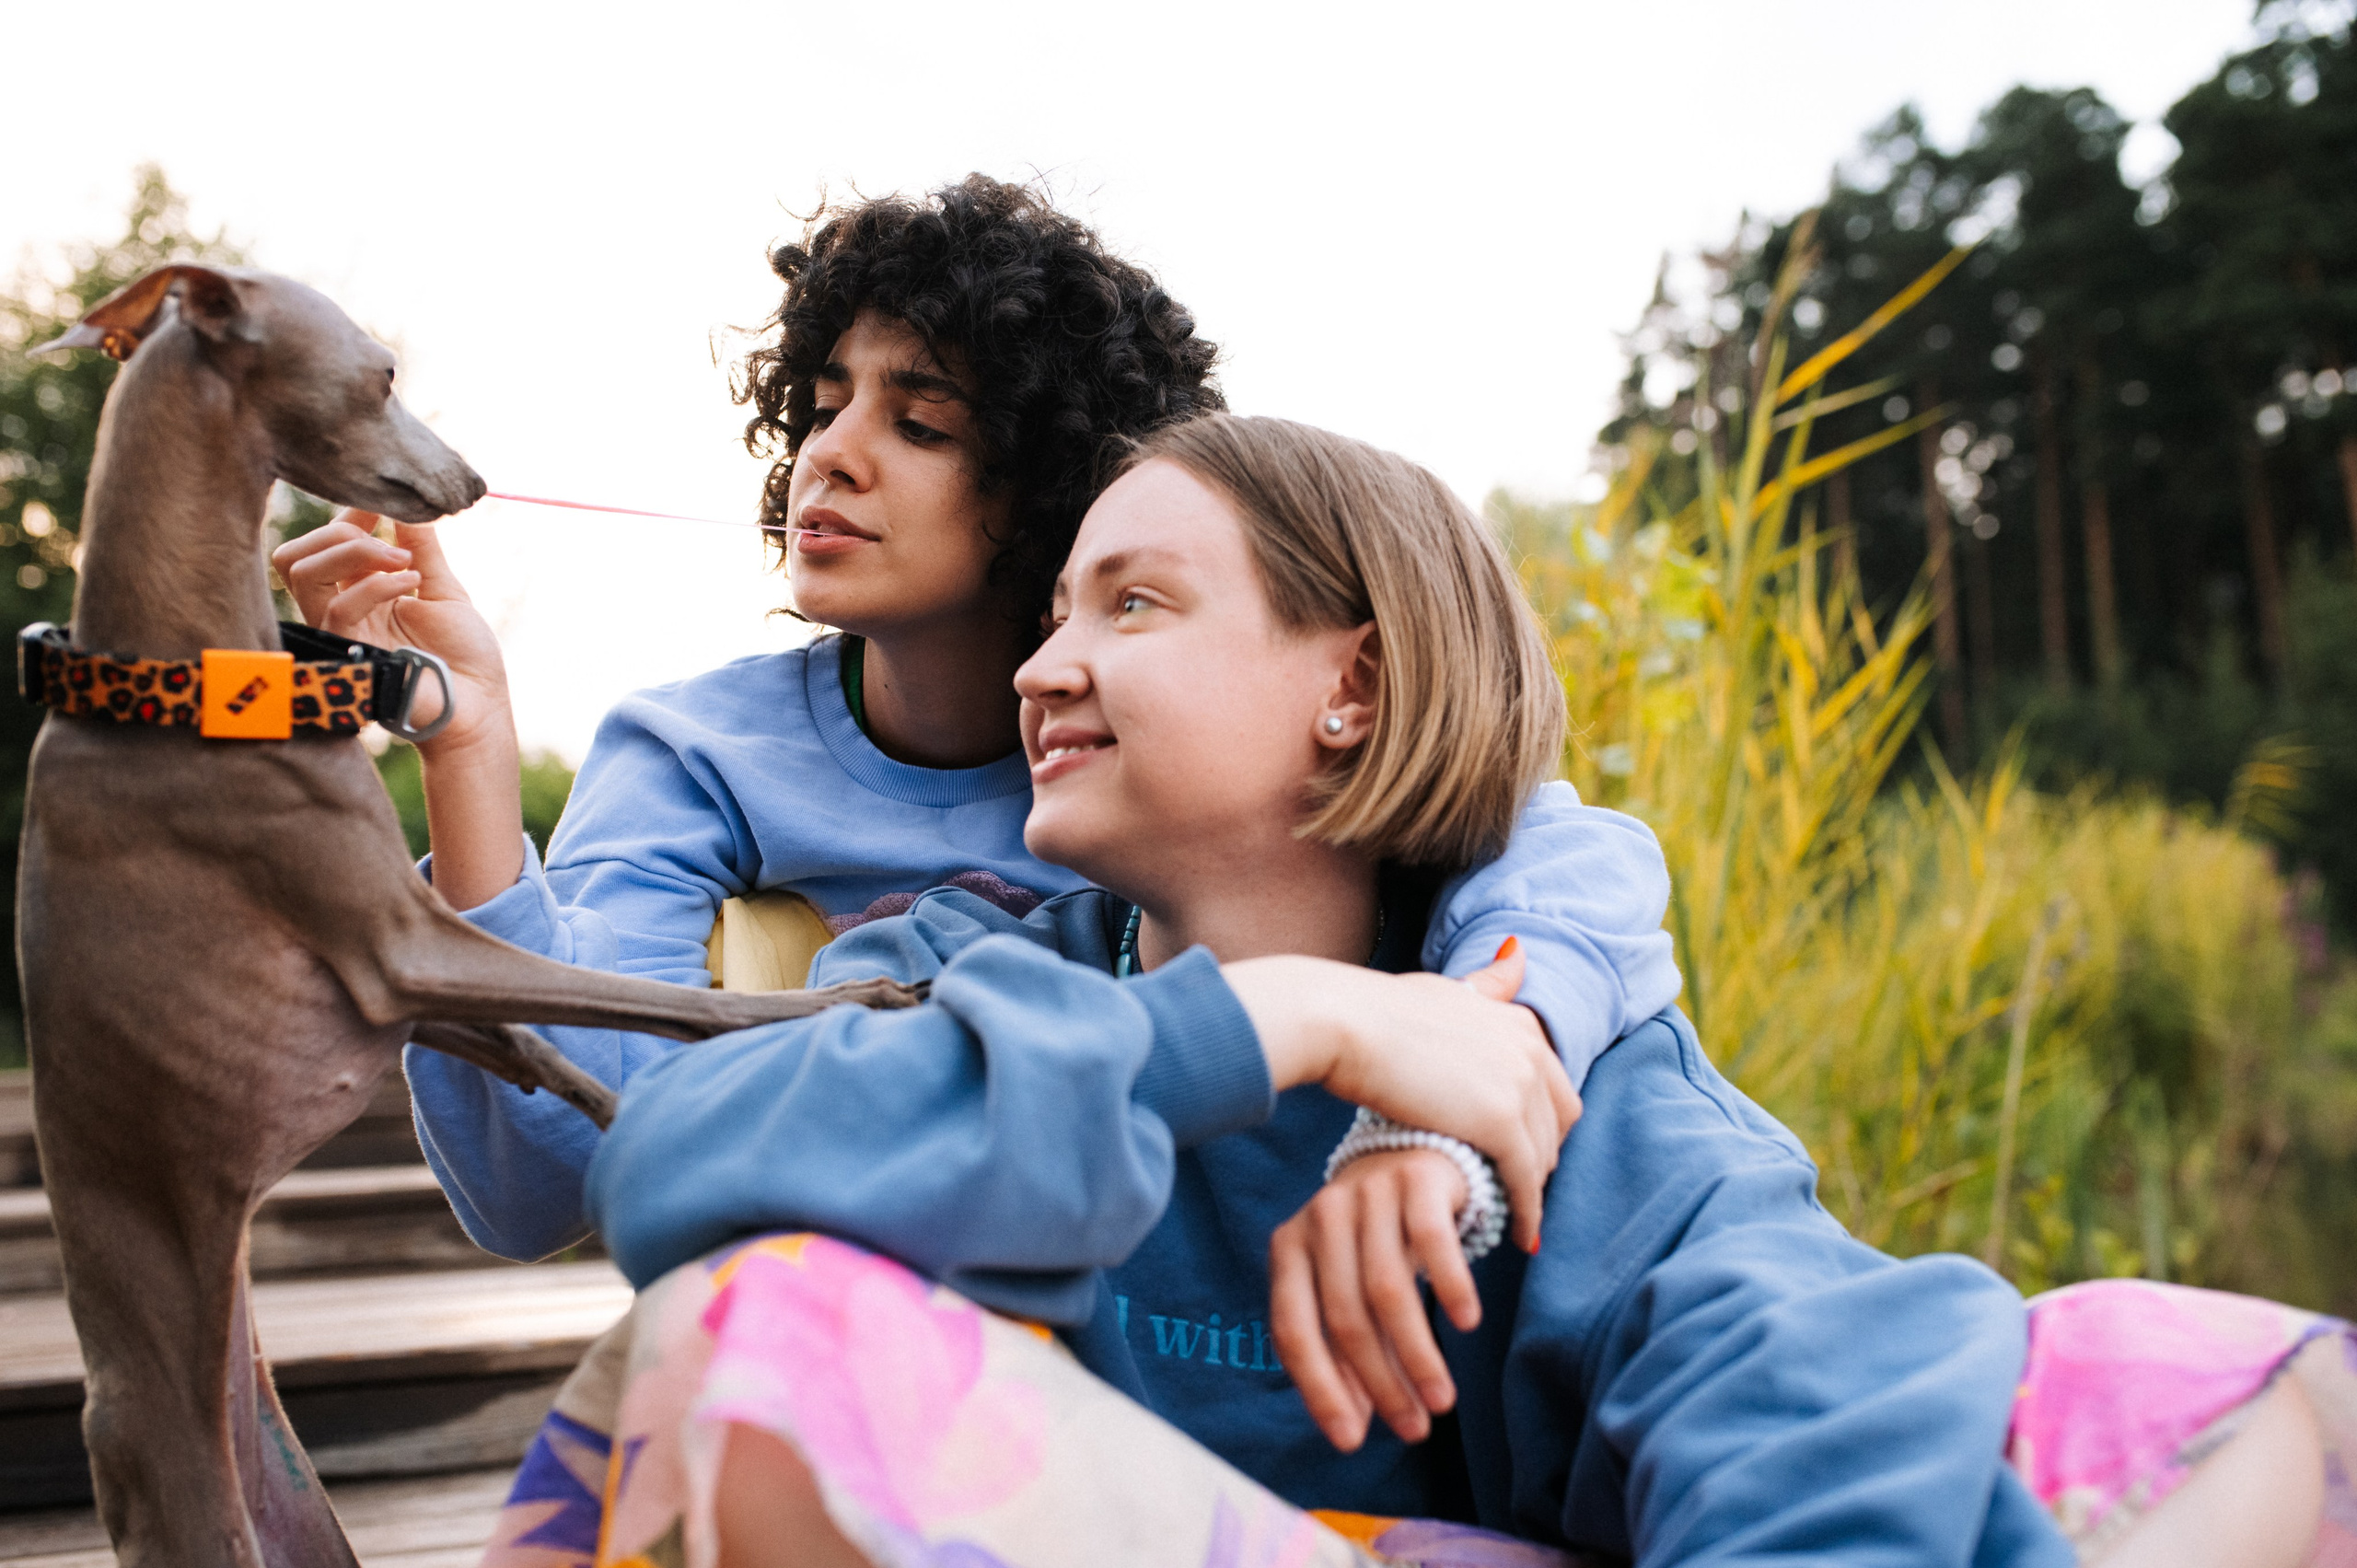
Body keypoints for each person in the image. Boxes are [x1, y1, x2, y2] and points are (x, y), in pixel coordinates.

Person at [472, 414, 2351, 1568]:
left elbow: (1773, 1381)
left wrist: (1411, 1067)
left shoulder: (1559, 1059)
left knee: (2225, 1388)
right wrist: (1283, 1024)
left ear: (1349, 685)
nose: (1040, 662)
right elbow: (670, 1178)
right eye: (1050, 606)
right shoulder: (965, 976)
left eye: (1128, 604)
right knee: (759, 1336)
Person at [273, 177, 1680, 1265]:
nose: (833, 449)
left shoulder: (1190, 758)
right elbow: (542, 1187)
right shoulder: (695, 756)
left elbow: (1541, 844)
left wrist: (1485, 1047)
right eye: (822, 408)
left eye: (922, 424)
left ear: (1064, 479)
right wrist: (467, 746)